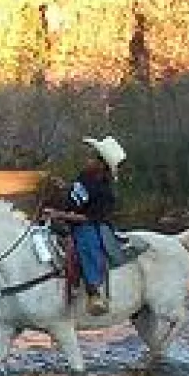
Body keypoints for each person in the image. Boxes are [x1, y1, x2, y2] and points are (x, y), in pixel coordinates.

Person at [44, 135, 126, 316]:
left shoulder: (105, 192)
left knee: (86, 243)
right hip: (69, 217)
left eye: (92, 157)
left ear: (101, 164)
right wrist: (65, 187)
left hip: (90, 224)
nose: (87, 159)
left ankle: (93, 289)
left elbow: (88, 218)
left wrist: (59, 214)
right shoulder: (85, 176)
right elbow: (79, 194)